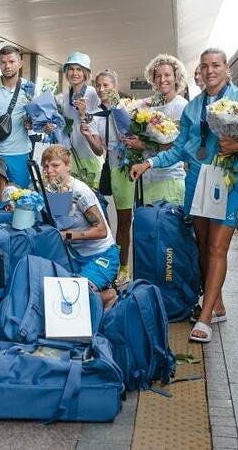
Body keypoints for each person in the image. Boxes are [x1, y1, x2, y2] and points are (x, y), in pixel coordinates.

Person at [130, 48, 238, 343]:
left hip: (229, 182)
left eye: (215, 65)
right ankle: (217, 304)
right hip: (197, 183)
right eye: (204, 66)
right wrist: (148, 163)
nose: (209, 71)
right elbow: (179, 149)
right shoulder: (193, 108)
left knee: (217, 247)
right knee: (203, 245)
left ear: (226, 68)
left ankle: (205, 318)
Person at [42, 145, 119, 308]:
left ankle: (108, 295)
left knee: (75, 299)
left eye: (55, 165)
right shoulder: (51, 189)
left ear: (68, 166)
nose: (49, 171)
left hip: (103, 255)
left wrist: (68, 235)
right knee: (53, 294)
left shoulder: (80, 192)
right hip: (75, 256)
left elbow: (102, 231)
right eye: (46, 166)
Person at [81, 69, 134, 285]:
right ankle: (118, 265)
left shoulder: (127, 108)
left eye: (106, 85)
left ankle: (126, 267)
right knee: (120, 219)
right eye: (98, 86)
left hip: (132, 168)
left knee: (128, 220)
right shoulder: (96, 115)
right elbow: (98, 150)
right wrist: (88, 135)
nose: (102, 89)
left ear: (115, 86)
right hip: (113, 168)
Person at [123, 54, 189, 205]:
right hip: (147, 178)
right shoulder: (150, 106)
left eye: (167, 75)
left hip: (170, 178)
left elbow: (178, 146)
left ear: (176, 77)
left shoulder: (181, 106)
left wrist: (143, 145)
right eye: (158, 76)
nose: (162, 79)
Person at [0, 45, 37, 188]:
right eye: (3, 62)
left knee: (20, 196)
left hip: (20, 154)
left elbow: (39, 121)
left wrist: (32, 123)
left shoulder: (30, 89)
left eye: (11, 61)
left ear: (20, 63)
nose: (7, 66)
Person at [58, 52, 103, 189]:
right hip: (71, 156)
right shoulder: (65, 98)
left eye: (79, 69)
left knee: (92, 197)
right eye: (71, 69)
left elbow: (99, 120)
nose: (74, 73)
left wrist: (83, 113)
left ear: (85, 73)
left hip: (90, 154)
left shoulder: (92, 93)